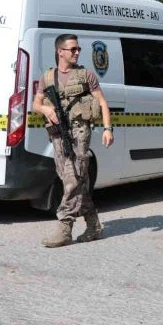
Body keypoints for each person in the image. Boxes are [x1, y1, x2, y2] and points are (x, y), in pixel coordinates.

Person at [33, 34, 114, 247]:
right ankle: (93, 225)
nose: (77, 52)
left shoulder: (86, 75)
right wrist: (46, 108)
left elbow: (103, 102)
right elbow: (36, 103)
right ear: (60, 51)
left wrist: (107, 129)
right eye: (73, 49)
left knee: (72, 179)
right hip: (58, 134)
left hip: (79, 133)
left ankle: (64, 227)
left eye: (78, 49)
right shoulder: (48, 77)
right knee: (73, 180)